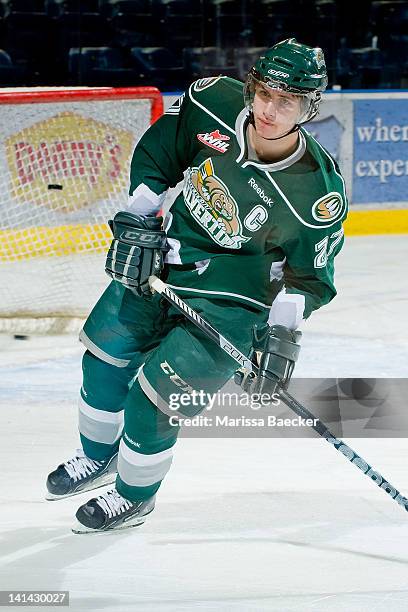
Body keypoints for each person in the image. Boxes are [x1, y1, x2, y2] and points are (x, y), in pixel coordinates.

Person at [46, 39, 348, 533]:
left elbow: (309, 279)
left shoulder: (316, 194)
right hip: (166, 263)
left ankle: (133, 496)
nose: (270, 110)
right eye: (266, 94)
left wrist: (280, 338)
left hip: (234, 304)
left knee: (155, 400)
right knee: (101, 360)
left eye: (287, 101)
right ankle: (96, 457)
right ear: (251, 87)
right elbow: (163, 150)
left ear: (307, 108)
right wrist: (140, 221)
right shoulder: (214, 101)